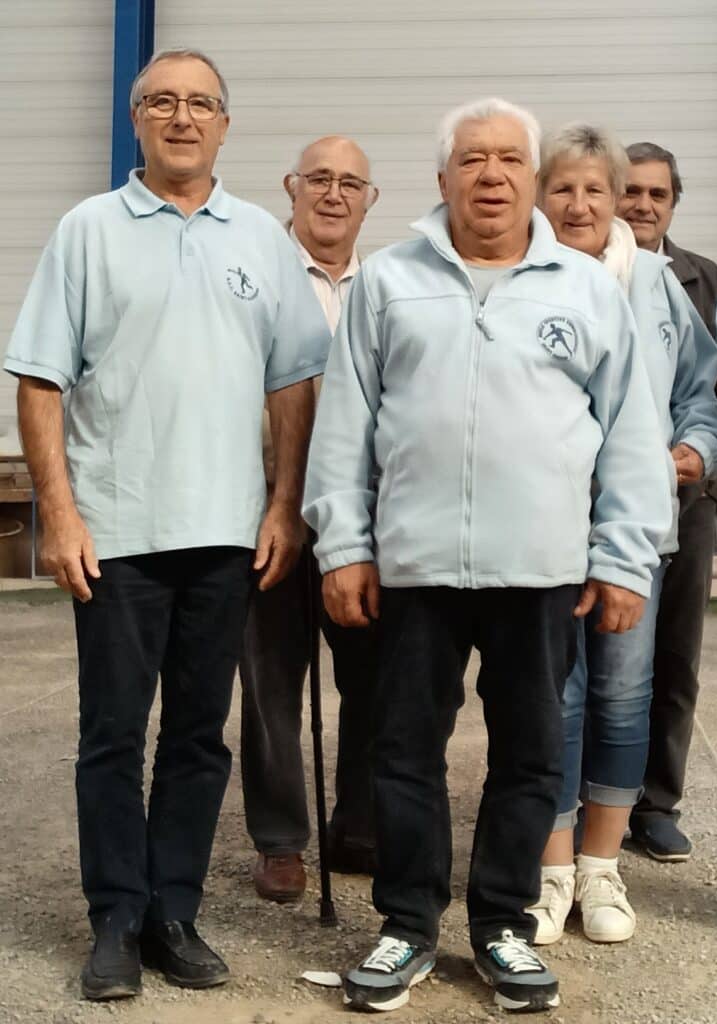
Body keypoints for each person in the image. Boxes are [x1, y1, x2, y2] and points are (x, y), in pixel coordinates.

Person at [303, 98, 671, 1013]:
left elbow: (630, 432)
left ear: (532, 177)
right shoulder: (388, 282)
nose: (492, 175)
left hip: (540, 572)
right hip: (414, 572)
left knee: (528, 756)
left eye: (510, 158)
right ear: (442, 180)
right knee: (403, 753)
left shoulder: (584, 289)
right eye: (472, 160)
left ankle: (503, 925)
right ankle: (407, 927)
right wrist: (344, 545)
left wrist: (624, 558)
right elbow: (344, 427)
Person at [3, 48, 329, 1000]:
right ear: (136, 120)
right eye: (162, 103)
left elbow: (294, 382)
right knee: (111, 732)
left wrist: (282, 505)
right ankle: (114, 918)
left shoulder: (261, 243)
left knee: (198, 735)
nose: (182, 117)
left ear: (225, 123)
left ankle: (171, 914)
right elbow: (39, 380)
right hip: (114, 533)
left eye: (200, 103)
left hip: (227, 532)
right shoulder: (88, 230)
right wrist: (58, 515)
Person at [530, 124, 717, 945]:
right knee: (552, 700)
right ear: (541, 197)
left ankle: (601, 871)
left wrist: (693, 449)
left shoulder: (656, 283)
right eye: (562, 188)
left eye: (594, 189)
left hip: (635, 533)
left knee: (621, 694)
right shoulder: (517, 272)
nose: (578, 205)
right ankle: (547, 874)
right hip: (537, 532)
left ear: (620, 199)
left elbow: (705, 393)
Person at [242, 135, 380, 903]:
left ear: (370, 201)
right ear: (290, 187)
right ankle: (280, 839)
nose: (333, 194)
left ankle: (358, 822)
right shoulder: (257, 275)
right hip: (265, 504)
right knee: (268, 679)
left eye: (349, 183)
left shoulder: (389, 284)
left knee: (374, 676)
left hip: (361, 515)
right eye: (318, 179)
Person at [618, 142, 717, 862]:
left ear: (673, 203)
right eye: (630, 191)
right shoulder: (583, 271)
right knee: (598, 663)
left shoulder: (705, 280)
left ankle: (655, 802)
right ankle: (586, 799)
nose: (641, 205)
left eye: (655, 195)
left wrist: (700, 471)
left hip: (685, 500)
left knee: (674, 657)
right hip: (598, 508)